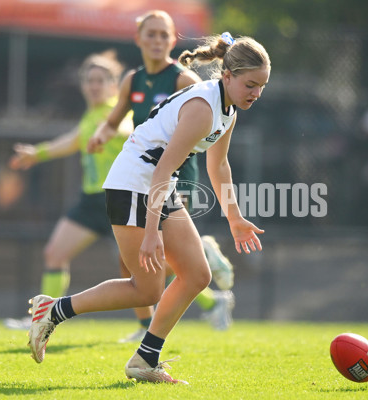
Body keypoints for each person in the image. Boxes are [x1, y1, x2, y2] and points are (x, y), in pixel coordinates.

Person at [27, 32, 270, 384]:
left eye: (262, 86)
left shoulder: (228, 109)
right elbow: (161, 168)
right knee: (146, 289)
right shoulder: (203, 108)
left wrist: (234, 217)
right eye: (251, 84)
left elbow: (218, 166)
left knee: (198, 275)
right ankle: (53, 311)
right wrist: (153, 232)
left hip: (155, 187)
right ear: (228, 76)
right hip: (132, 185)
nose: (256, 93)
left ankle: (145, 358)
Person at [90, 10, 235, 341]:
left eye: (163, 34)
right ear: (138, 39)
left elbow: (204, 131)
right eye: (150, 34)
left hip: (174, 176)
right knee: (138, 263)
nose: (156, 40)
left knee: (148, 259)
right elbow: (113, 120)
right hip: (146, 175)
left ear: (172, 40)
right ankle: (153, 326)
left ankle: (149, 328)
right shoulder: (133, 80)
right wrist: (101, 134)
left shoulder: (184, 80)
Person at [3, 50, 133, 329]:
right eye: (90, 80)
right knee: (54, 253)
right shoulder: (91, 116)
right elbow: (71, 141)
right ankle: (42, 319)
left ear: (114, 84)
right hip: (90, 202)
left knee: (147, 267)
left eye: (101, 80)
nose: (95, 86)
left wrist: (111, 131)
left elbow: (124, 127)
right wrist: (35, 153)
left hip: (118, 200)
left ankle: (211, 300)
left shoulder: (115, 111)